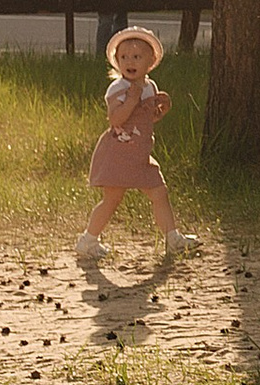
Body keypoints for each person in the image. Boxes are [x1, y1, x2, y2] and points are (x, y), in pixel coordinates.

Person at [74, 27, 201, 264]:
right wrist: (131, 100)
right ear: (116, 62)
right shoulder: (119, 89)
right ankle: (88, 239)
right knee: (112, 199)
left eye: (136, 57)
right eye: (123, 57)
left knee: (159, 192)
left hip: (140, 154)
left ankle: (172, 237)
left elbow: (145, 120)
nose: (129, 62)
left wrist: (160, 109)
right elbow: (116, 119)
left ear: (151, 62)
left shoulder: (149, 86)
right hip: (119, 154)